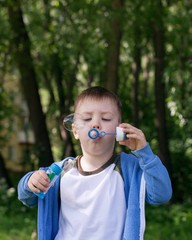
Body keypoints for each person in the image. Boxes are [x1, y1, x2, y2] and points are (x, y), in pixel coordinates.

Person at [18, 86, 172, 240]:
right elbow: (27, 197)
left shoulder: (129, 168)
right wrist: (30, 181)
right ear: (76, 131)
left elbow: (161, 195)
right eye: (86, 119)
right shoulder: (61, 171)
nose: (96, 124)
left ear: (119, 129)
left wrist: (144, 152)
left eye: (105, 119)